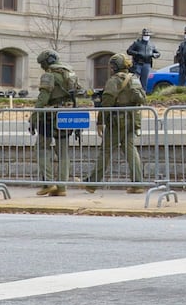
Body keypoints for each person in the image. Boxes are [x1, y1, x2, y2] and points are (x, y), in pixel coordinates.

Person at [84, 53, 146, 193]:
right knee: (131, 151)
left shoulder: (114, 81)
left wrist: (100, 121)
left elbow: (106, 103)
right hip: (132, 120)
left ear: (115, 66)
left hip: (117, 122)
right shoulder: (134, 79)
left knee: (105, 151)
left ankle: (92, 183)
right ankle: (138, 183)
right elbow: (142, 97)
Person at [29, 49, 78, 197]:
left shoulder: (49, 75)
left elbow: (43, 98)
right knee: (63, 152)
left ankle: (49, 183)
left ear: (46, 62)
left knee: (41, 148)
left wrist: (34, 116)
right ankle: (62, 187)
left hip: (49, 117)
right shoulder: (70, 72)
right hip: (66, 115)